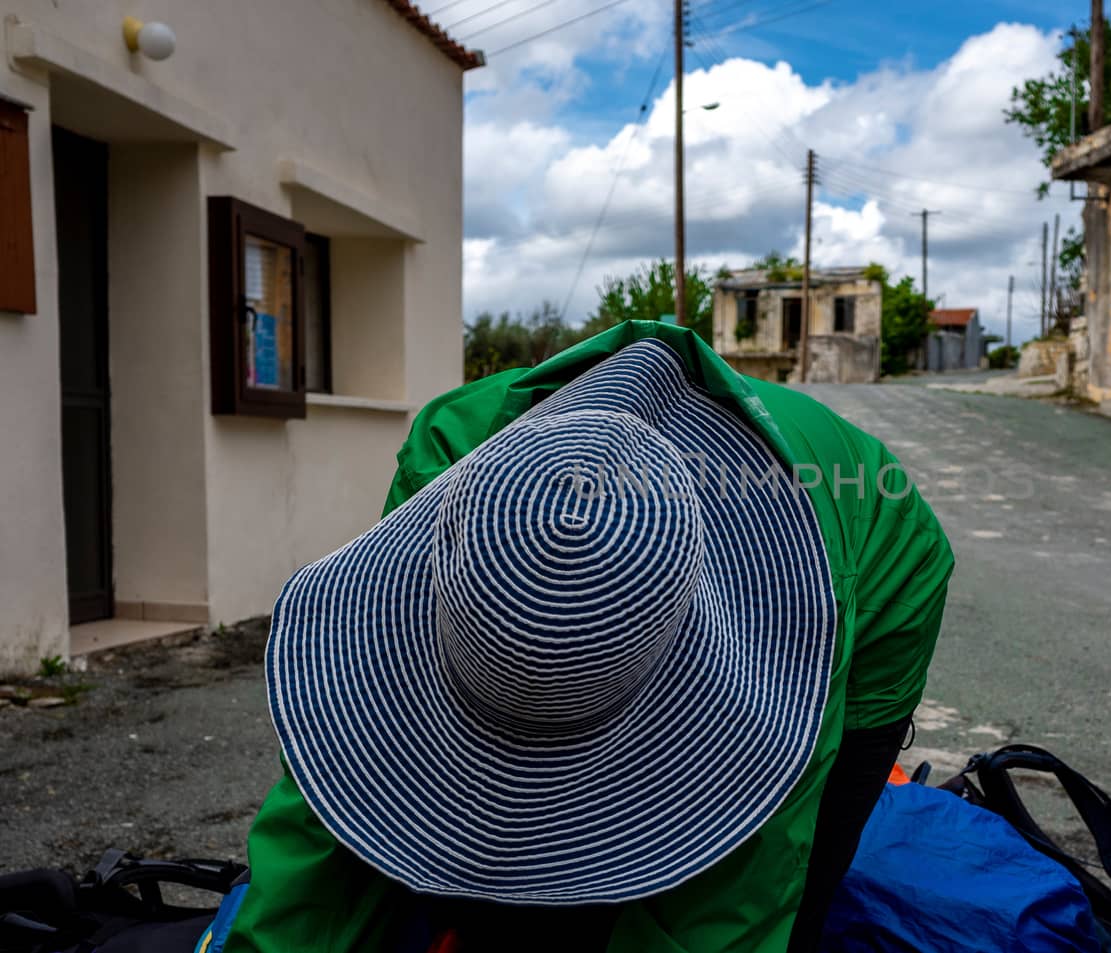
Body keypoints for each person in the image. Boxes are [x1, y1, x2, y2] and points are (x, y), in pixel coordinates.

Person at [225, 321, 954, 953]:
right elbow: (340, 796)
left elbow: (731, 904)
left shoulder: (798, 612)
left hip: (873, 579)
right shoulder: (448, 457)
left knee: (780, 878)